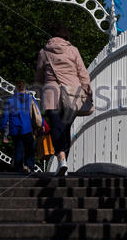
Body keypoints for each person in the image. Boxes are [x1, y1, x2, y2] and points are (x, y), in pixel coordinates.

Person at [35, 24, 92, 176]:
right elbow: (83, 74)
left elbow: (39, 77)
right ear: (66, 36)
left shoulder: (44, 52)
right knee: (64, 128)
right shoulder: (73, 50)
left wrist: (40, 89)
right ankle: (63, 161)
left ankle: (61, 160)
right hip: (72, 94)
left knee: (56, 127)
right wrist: (89, 93)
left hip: (50, 94)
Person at [0, 81, 43, 173]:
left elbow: (5, 116)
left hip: (15, 129)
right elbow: (37, 113)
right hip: (28, 128)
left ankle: (18, 171)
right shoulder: (30, 99)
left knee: (18, 150)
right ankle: (30, 168)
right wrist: (42, 125)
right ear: (25, 89)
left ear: (15, 89)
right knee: (29, 150)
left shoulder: (10, 101)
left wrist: (0, 128)